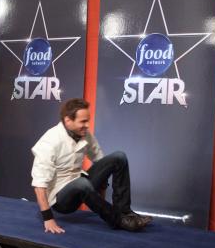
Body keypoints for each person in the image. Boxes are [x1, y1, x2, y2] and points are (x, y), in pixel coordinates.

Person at [31, 98, 152, 233]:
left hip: (81, 184)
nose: (87, 125)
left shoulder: (84, 134)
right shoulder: (49, 142)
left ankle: (125, 213)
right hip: (61, 200)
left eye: (88, 120)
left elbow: (100, 161)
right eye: (83, 121)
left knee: (119, 157)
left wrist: (102, 189)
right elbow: (39, 185)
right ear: (68, 121)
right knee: (82, 183)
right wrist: (48, 219)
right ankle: (119, 221)